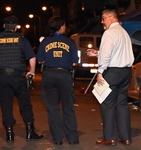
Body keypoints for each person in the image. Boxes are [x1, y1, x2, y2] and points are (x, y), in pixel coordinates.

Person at [0, 15, 44, 143]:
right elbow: (32, 58)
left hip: (2, 77)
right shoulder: (21, 39)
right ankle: (30, 133)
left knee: (6, 104)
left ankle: (10, 135)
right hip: (18, 77)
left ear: (4, 26)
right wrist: (32, 72)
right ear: (16, 27)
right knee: (25, 104)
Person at [87, 10, 134, 146]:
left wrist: (100, 71)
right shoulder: (124, 32)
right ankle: (125, 137)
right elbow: (117, 52)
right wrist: (98, 53)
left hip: (113, 72)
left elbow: (107, 54)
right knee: (122, 104)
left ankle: (110, 137)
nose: (102, 22)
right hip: (126, 72)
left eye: (103, 19)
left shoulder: (109, 33)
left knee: (107, 104)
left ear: (111, 18)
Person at [37, 16, 79, 145]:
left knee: (53, 108)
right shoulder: (70, 42)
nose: (65, 28)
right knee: (68, 107)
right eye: (64, 25)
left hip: (49, 74)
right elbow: (74, 61)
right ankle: (72, 138)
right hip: (64, 74)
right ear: (61, 27)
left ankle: (57, 138)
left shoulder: (45, 42)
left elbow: (40, 60)